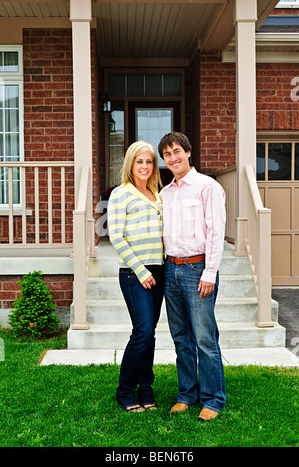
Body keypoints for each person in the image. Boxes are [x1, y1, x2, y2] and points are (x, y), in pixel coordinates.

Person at [158, 132, 226, 421]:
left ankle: (213, 399)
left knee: (205, 339)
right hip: (170, 268)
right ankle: (187, 394)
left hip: (198, 269)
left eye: (177, 152)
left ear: (188, 152)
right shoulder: (164, 193)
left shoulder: (207, 187)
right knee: (180, 337)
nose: (173, 158)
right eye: (167, 154)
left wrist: (210, 272)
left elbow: (216, 232)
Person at [107, 140, 164, 413]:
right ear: (131, 164)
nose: (145, 166)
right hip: (134, 273)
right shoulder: (121, 194)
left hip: (160, 270)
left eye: (149, 161)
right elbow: (115, 236)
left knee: (150, 334)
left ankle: (147, 388)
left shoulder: (157, 194)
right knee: (142, 331)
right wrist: (140, 271)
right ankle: (125, 390)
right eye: (139, 161)